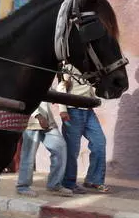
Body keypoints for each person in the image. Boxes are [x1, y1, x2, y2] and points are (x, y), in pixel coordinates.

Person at [58, 65, 110, 193]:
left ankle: (94, 180)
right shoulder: (69, 65)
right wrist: (63, 110)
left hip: (88, 110)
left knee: (99, 142)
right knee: (72, 149)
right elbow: (62, 86)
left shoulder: (92, 66)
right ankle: (69, 183)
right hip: (72, 110)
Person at [16, 101, 73, 197]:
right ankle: (22, 186)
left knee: (60, 148)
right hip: (32, 121)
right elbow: (25, 98)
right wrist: (38, 116)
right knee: (28, 155)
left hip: (48, 121)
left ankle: (54, 185)